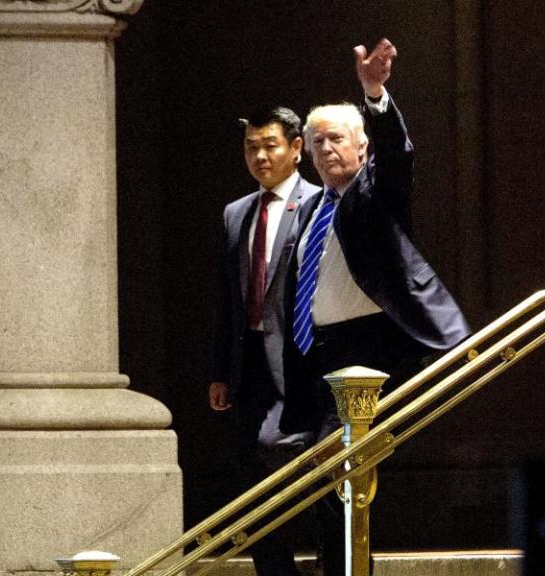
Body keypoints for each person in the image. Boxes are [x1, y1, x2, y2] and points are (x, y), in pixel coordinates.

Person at [280, 38, 471, 575]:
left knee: (338, 467)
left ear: (361, 148)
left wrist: (374, 94)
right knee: (323, 469)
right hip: (322, 353)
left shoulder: (374, 189)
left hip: (376, 346)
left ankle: (344, 569)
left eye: (336, 140)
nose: (325, 151)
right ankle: (338, 565)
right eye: (316, 144)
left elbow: (397, 156)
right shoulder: (309, 210)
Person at [208, 105, 321, 576]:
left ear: (296, 149)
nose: (259, 156)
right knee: (250, 476)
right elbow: (226, 297)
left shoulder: (319, 204)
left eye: (269, 145)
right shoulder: (236, 213)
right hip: (248, 360)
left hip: (301, 360)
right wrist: (219, 371)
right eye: (251, 147)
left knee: (304, 468)